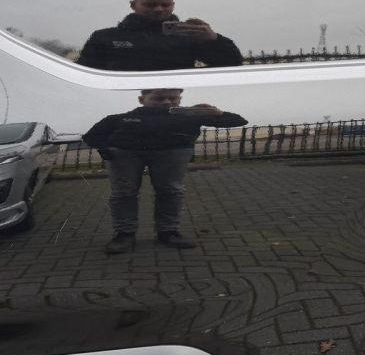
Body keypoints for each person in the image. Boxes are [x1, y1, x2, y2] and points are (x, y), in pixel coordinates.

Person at [84, 88, 248, 253]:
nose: (167, 102)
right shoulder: (119, 119)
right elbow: (91, 136)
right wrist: (105, 149)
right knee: (123, 193)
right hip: (125, 155)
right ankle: (124, 234)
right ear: (141, 100)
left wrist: (218, 113)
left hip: (172, 154)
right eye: (159, 98)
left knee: (170, 191)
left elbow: (238, 121)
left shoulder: (190, 116)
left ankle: (168, 232)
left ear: (180, 99)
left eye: (173, 98)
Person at [78, 0, 243, 71]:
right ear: (133, 5)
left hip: (174, 100)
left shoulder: (189, 36)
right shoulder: (105, 37)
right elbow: (86, 73)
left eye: (165, 5)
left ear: (173, 5)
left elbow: (232, 65)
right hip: (120, 100)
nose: (158, 9)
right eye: (150, 4)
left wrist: (214, 40)